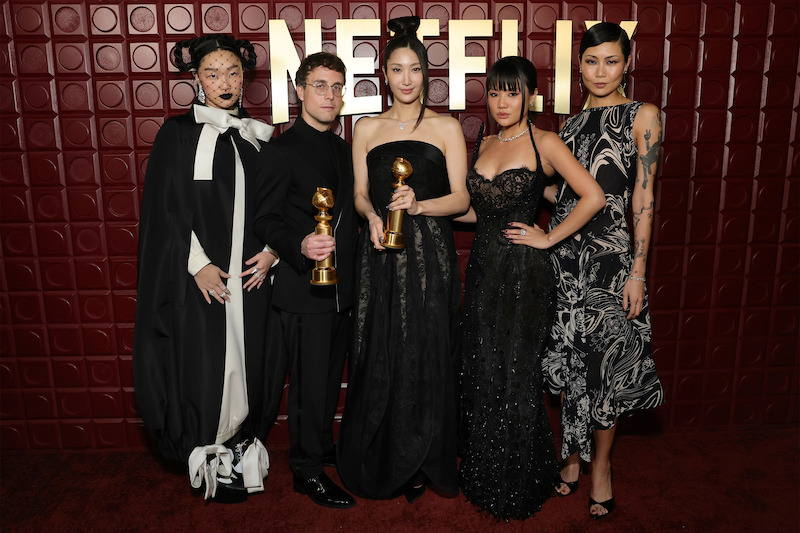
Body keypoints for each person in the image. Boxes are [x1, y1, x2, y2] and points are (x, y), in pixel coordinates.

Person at [457, 56, 606, 520]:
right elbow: (477, 213)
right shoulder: (484, 141)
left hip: (524, 273)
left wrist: (548, 237)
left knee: (518, 372)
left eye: (512, 92)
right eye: (496, 92)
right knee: (485, 366)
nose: (503, 102)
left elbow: (594, 196)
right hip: (483, 268)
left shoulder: (545, 142)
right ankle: (487, 469)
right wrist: (420, 208)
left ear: (530, 97)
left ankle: (519, 479)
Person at [133, 34, 276, 502]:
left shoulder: (255, 137)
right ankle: (207, 455)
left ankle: (238, 450)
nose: (225, 82)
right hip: (203, 277)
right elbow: (165, 209)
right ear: (195, 79)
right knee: (207, 363)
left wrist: (273, 251)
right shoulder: (177, 133)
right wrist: (197, 266)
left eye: (233, 73)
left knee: (246, 361)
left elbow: (277, 207)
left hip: (251, 278)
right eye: (213, 74)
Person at [336, 16, 469, 503]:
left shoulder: (446, 127)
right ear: (384, 74)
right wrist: (370, 215)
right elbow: (356, 193)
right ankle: (388, 450)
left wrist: (418, 205)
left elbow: (461, 200)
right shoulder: (365, 128)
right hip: (381, 255)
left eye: (415, 69)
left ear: (425, 74)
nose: (407, 78)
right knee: (381, 345)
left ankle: (427, 455)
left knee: (427, 344)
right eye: (397, 69)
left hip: (429, 254)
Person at [543, 22, 665, 519]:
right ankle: (571, 458)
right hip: (566, 263)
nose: (600, 71)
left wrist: (638, 270)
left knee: (606, 368)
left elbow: (643, 194)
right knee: (573, 362)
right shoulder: (569, 126)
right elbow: (563, 194)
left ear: (627, 64)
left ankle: (601, 470)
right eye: (591, 61)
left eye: (611, 61)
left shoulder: (644, 116)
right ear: (580, 65)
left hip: (613, 265)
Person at [254, 52, 358, 509]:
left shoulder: (341, 147)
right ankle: (306, 471)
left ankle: (321, 445)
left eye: (337, 87)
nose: (330, 95)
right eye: (320, 86)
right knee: (309, 385)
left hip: (340, 290)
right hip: (302, 292)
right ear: (299, 90)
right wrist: (298, 245)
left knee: (329, 378)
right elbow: (266, 220)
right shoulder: (280, 150)